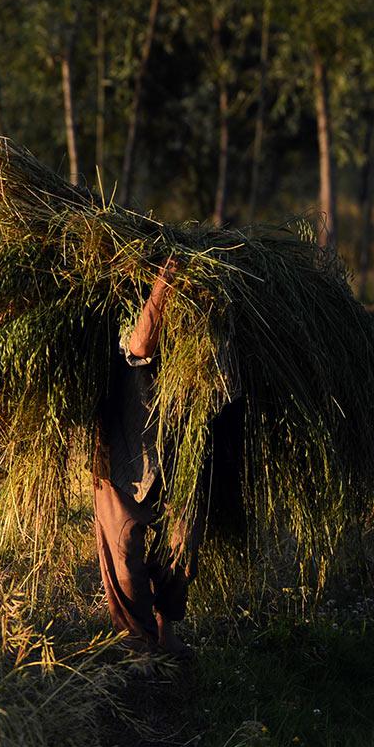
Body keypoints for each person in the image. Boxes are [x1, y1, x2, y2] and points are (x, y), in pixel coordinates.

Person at [92, 257, 243, 658]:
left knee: (181, 549)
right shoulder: (130, 310)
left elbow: (227, 390)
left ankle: (166, 629)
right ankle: (138, 645)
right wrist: (163, 287)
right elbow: (140, 346)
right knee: (126, 553)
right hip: (125, 457)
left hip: (180, 460)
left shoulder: (212, 332)